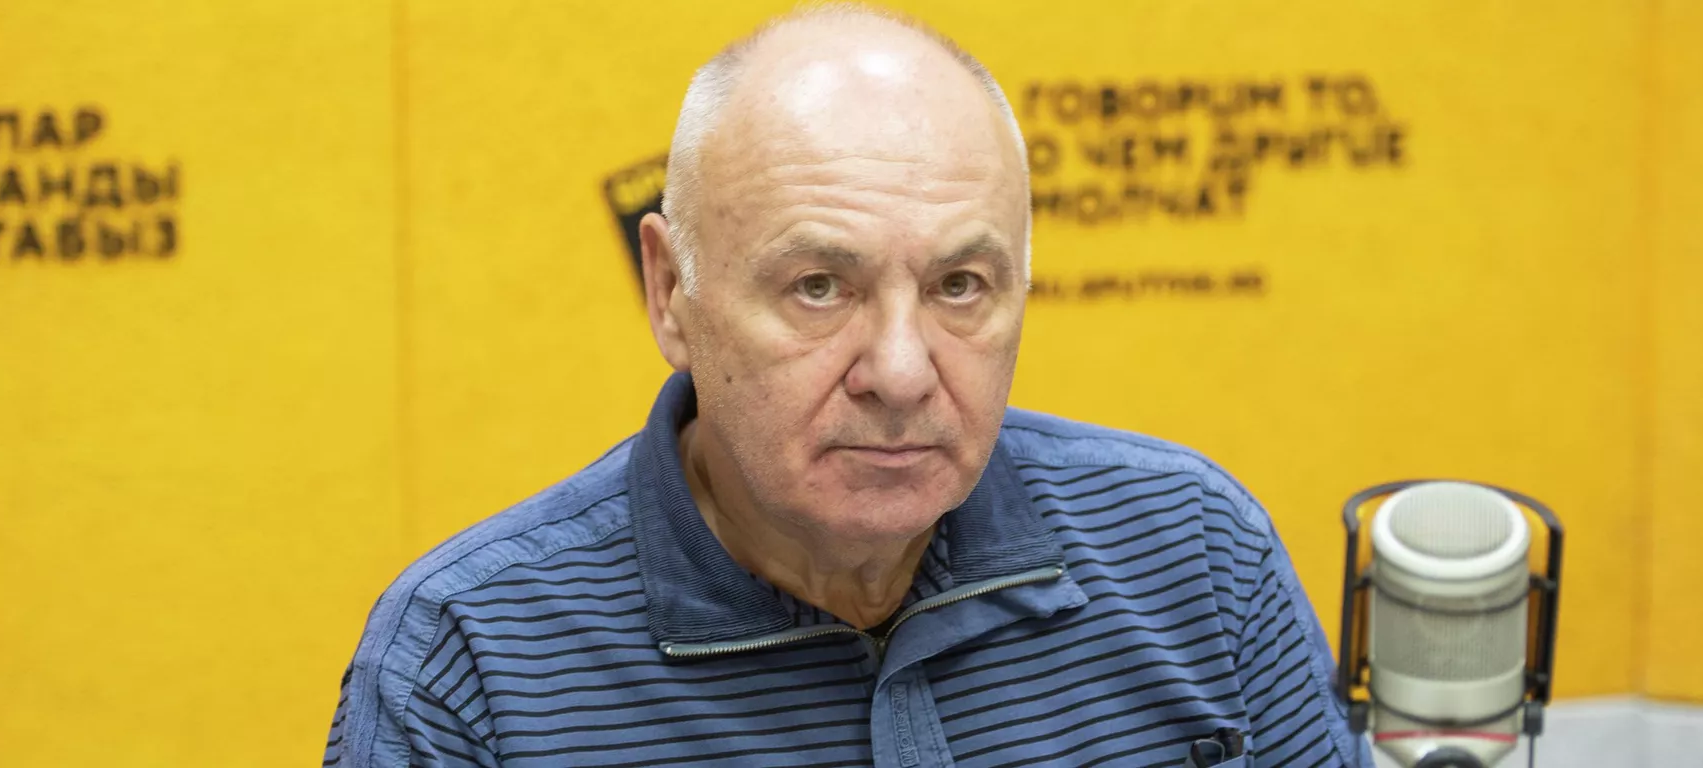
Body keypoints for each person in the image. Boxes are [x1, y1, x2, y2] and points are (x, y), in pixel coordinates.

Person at [327, 6, 1367, 767]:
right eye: (819, 287)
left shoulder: (1196, 552)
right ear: (672, 292)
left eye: (960, 286)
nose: (902, 374)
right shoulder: (470, 663)